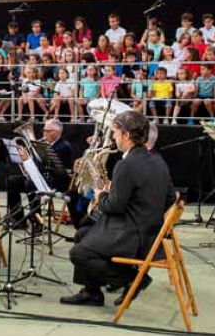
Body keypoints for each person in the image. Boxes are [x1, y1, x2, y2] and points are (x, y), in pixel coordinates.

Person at [61, 110, 174, 307]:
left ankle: (130, 278)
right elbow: (170, 197)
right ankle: (92, 292)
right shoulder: (158, 160)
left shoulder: (126, 164)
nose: (113, 137)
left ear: (126, 135)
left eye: (115, 132)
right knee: (83, 233)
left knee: (77, 253)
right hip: (151, 231)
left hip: (132, 235)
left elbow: (114, 207)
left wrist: (101, 195)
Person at [6, 118, 73, 228]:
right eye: (44, 130)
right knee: (12, 181)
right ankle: (17, 219)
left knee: (30, 183)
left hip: (58, 182)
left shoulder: (63, 146)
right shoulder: (44, 145)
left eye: (48, 131)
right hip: (44, 178)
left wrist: (28, 160)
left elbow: (48, 168)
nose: (44, 133)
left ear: (57, 132)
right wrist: (28, 161)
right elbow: (39, 167)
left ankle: (37, 223)